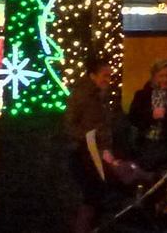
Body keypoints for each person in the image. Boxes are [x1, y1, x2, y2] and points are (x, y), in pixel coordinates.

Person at [65, 57, 119, 233]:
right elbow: (70, 124)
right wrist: (88, 139)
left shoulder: (99, 96)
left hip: (93, 152)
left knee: (95, 195)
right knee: (92, 194)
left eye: (109, 76)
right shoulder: (83, 96)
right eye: (104, 75)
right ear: (92, 75)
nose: (107, 80)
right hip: (84, 153)